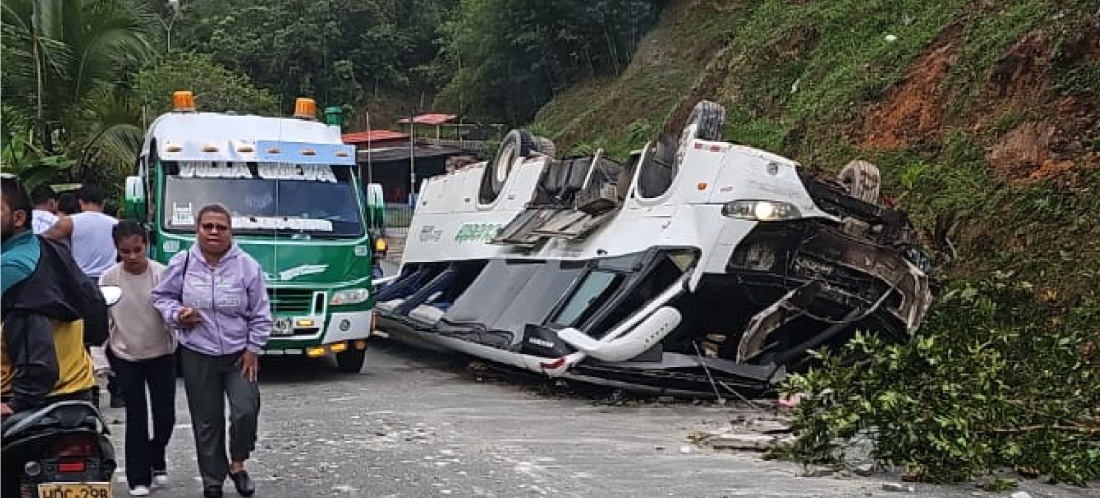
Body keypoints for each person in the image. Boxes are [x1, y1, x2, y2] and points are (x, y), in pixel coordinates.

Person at [152, 204, 271, 498]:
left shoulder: (247, 266)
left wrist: (253, 348)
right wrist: (178, 314)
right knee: (207, 420)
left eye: (221, 227)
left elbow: (261, 313)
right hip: (197, 352)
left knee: (245, 411)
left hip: (238, 354)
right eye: (208, 226)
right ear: (198, 230)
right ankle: (212, 480)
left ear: (231, 231)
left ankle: (238, 463)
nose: (214, 232)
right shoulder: (183, 262)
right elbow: (161, 296)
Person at [1, 177, 99, 497]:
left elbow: (35, 349)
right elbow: (95, 306)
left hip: (26, 405)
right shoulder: (51, 248)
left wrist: (17, 402)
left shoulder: (12, 267)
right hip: (78, 394)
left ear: (18, 218)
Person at [100, 221, 177, 497]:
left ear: (146, 244)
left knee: (166, 416)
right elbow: (103, 321)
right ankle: (138, 477)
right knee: (137, 415)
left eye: (137, 249)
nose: (132, 257)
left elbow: (173, 310)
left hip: (161, 353)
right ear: (117, 250)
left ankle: (157, 455)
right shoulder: (108, 278)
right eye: (125, 251)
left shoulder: (163, 274)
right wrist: (101, 360)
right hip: (125, 353)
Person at [44, 182, 124, 406]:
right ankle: (118, 392)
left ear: (80, 202)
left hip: (80, 284)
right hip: (111, 280)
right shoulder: (115, 224)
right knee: (113, 337)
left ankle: (91, 390)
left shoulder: (70, 222)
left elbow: (45, 241)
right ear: (103, 203)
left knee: (84, 340)